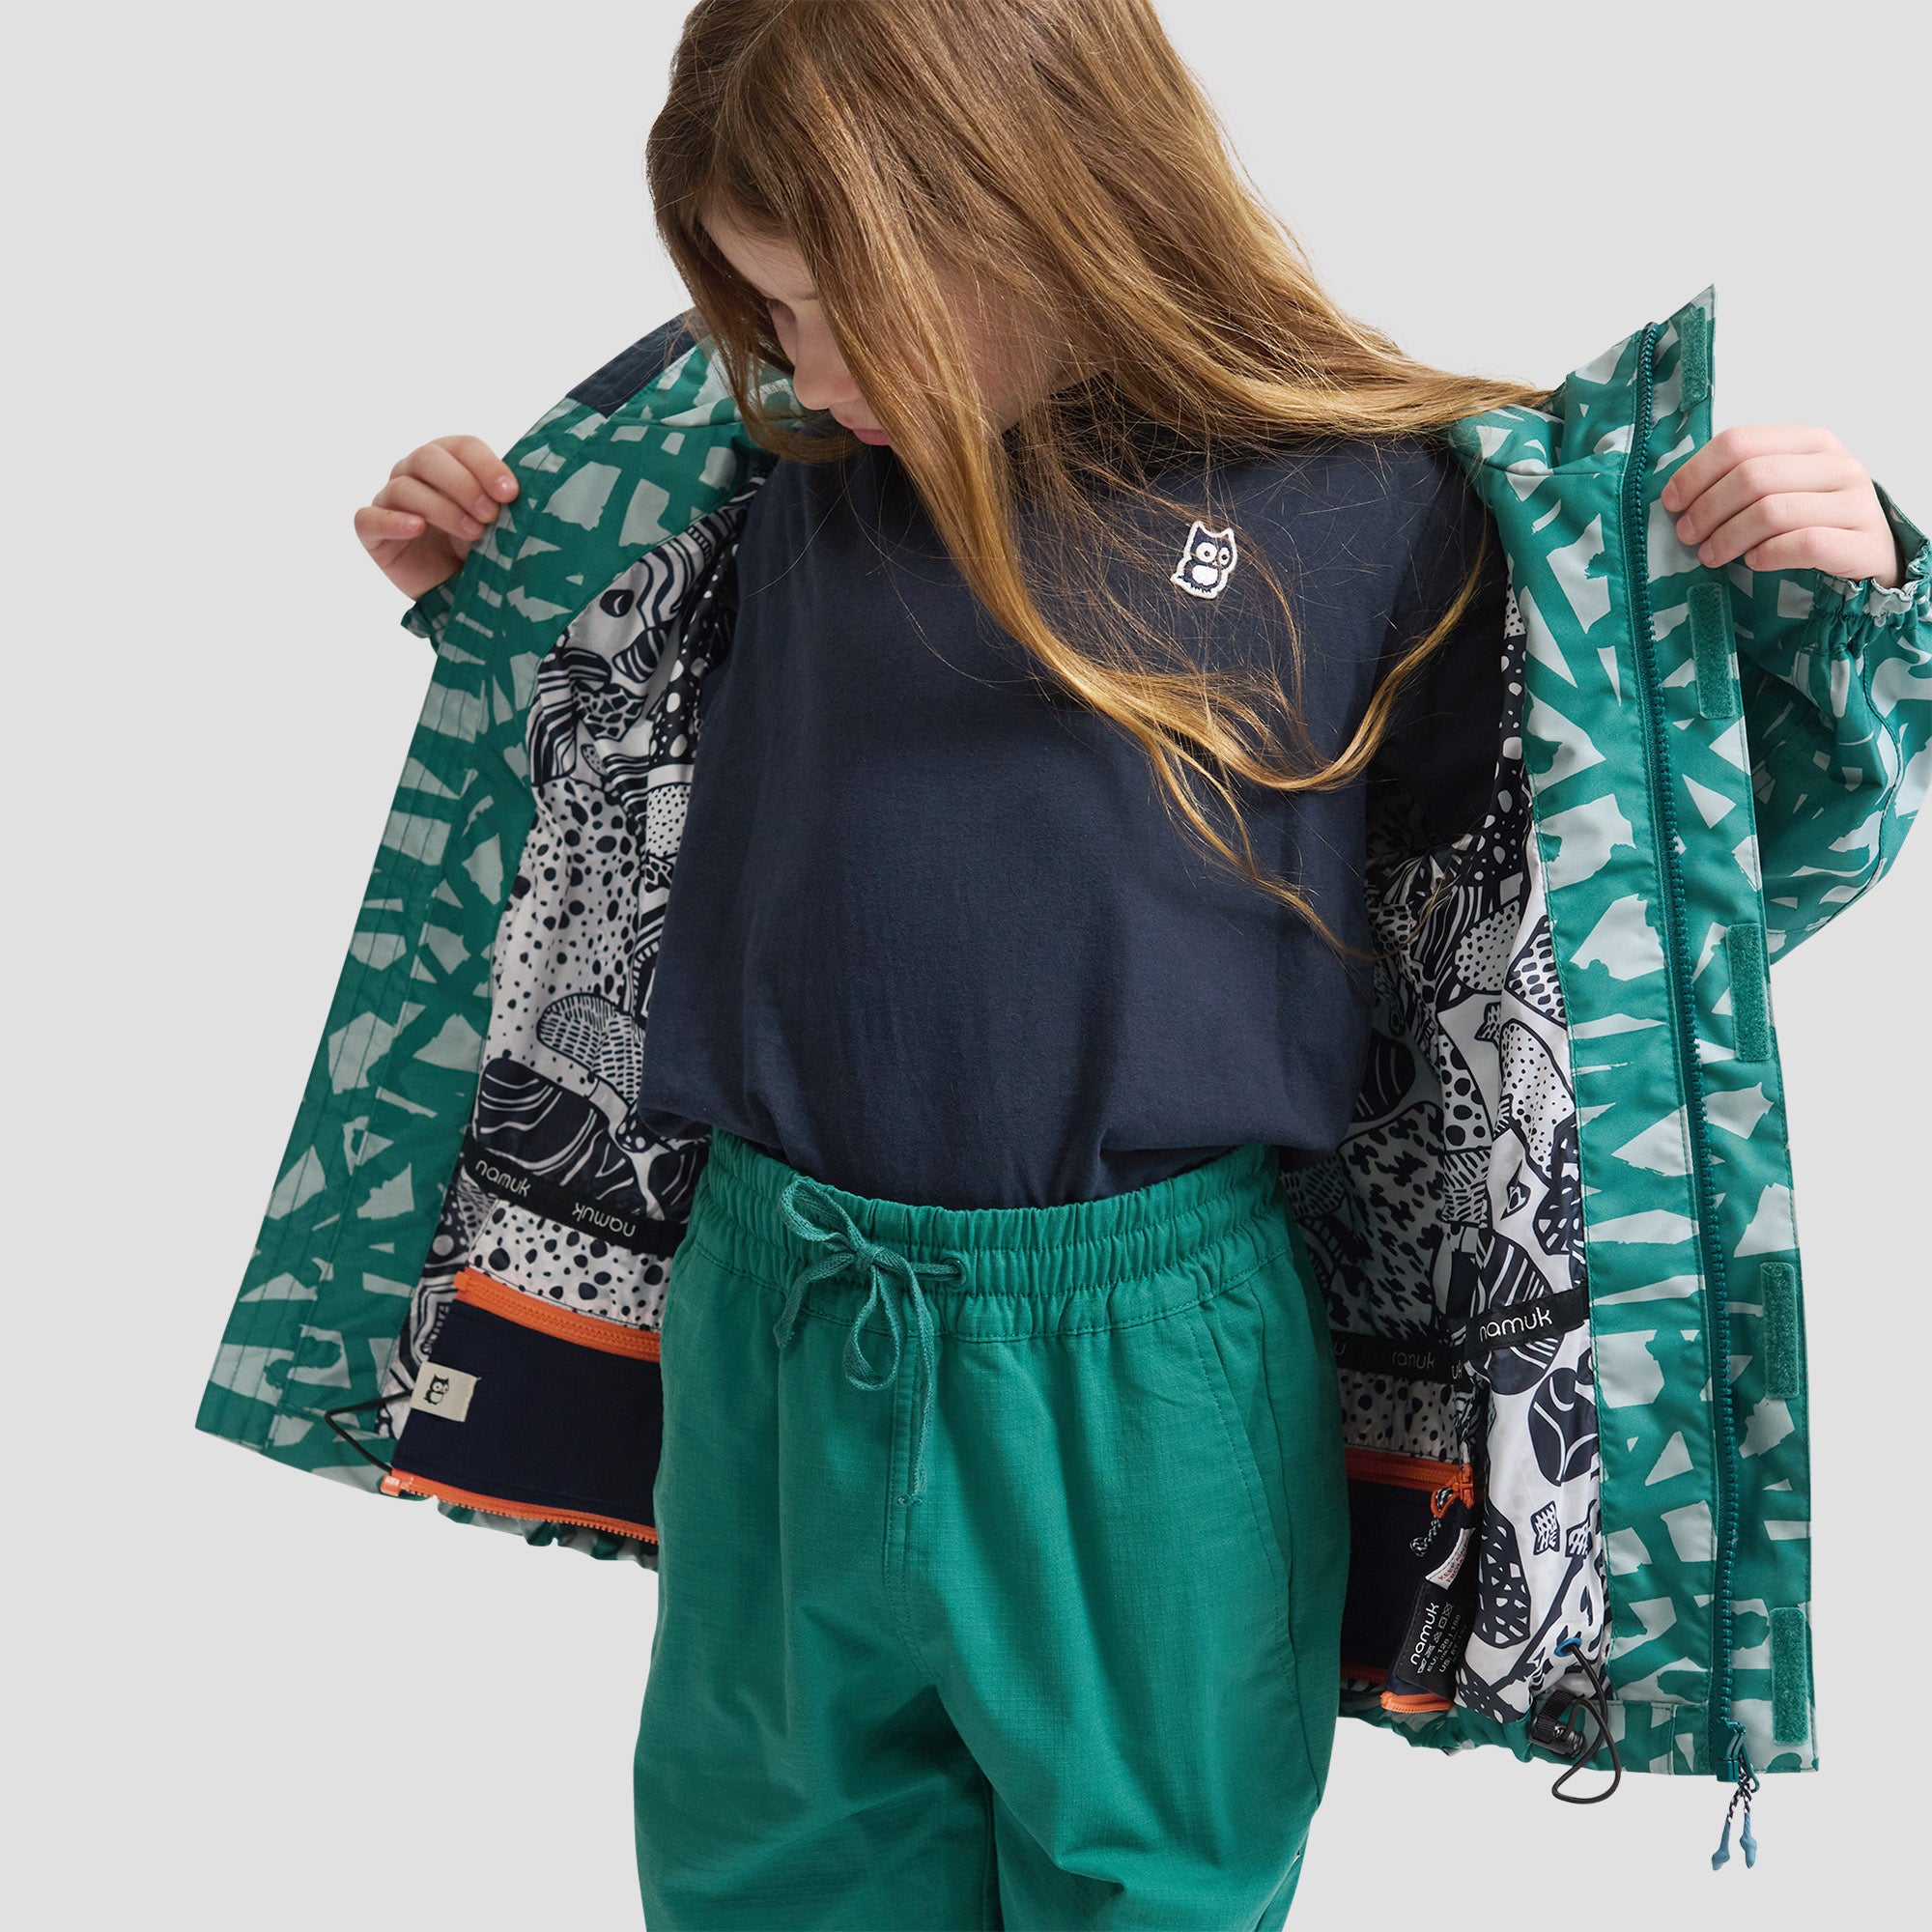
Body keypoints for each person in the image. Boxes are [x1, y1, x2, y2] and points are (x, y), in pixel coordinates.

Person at [350, 5, 1906, 1925]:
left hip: (1144, 1358)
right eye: (768, 311)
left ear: (1037, 209)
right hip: (775, 1312)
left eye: (840, 306)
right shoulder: (765, 481)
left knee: (1151, 1885)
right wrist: (489, 593)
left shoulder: (1374, 507)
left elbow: (1649, 898)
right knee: (759, 1877)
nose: (801, 367)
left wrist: (1836, 610)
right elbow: (622, 766)